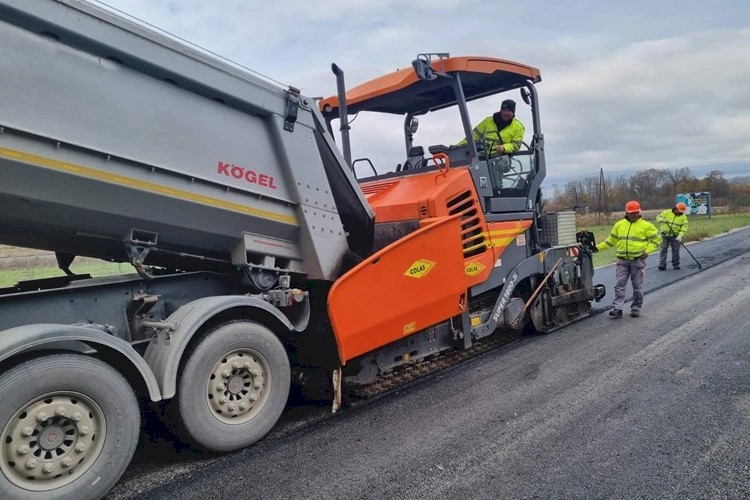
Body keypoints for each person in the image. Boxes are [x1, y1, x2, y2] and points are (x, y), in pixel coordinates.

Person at [593, 200, 661, 318]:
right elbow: (610, 241)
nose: (634, 215)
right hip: (622, 260)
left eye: (636, 212)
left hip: (637, 260)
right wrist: (597, 248)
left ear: (639, 212)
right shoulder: (619, 225)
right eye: (632, 212)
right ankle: (617, 308)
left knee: (637, 286)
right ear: (627, 212)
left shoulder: (646, 226)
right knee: (619, 284)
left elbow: (657, 240)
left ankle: (636, 308)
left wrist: (647, 251)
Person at [457, 99, 525, 157]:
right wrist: (457, 148)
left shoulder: (518, 127)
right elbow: (472, 137)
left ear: (513, 112)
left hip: (500, 158)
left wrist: (504, 147)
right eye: (503, 110)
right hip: (481, 156)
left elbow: (515, 146)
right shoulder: (487, 121)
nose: (505, 113)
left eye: (508, 111)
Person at [655, 202, 689, 270]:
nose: (680, 213)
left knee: (676, 250)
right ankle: (662, 265)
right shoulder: (667, 212)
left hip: (675, 236)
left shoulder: (683, 217)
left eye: (682, 211)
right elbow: (658, 217)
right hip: (664, 235)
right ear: (676, 209)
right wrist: (661, 219)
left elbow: (684, 227)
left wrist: (680, 236)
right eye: (679, 211)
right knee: (663, 249)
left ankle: (676, 264)